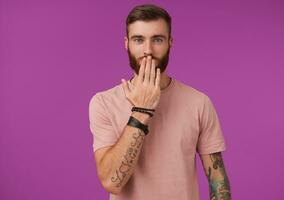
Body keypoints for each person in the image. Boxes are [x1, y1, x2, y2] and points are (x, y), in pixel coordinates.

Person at [89, 4, 231, 200]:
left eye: (157, 39)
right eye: (139, 40)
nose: (148, 50)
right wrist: (141, 110)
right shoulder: (103, 102)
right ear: (126, 43)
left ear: (170, 43)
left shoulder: (199, 103)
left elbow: (218, 181)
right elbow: (112, 182)